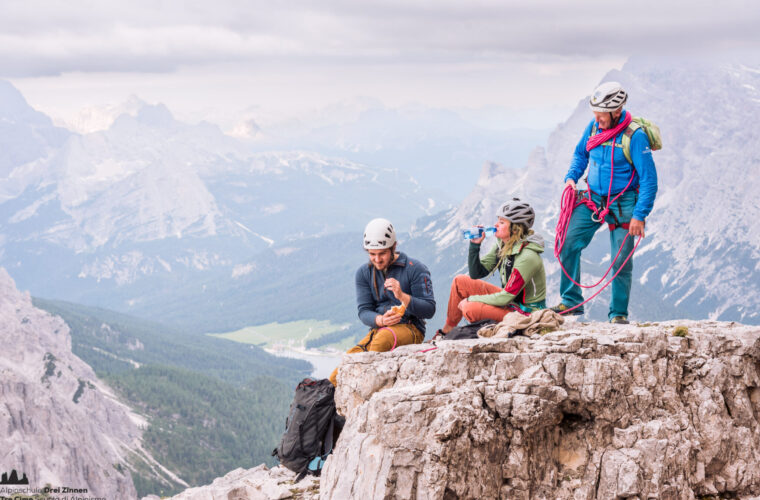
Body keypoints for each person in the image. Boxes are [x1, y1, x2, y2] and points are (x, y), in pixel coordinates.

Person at [552, 82, 658, 324]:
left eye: (601, 115)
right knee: (566, 242)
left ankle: (618, 314)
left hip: (624, 204)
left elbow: (649, 180)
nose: (597, 119)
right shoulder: (593, 128)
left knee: (620, 261)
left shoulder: (635, 136)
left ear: (616, 112)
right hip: (593, 199)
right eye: (595, 114)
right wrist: (571, 177)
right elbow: (581, 154)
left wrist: (639, 215)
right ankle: (571, 301)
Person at [328, 218, 435, 385]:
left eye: (382, 254)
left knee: (381, 341)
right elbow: (364, 310)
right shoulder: (364, 273)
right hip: (380, 328)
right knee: (340, 370)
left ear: (394, 247)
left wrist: (402, 296)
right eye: (372, 254)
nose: (377, 260)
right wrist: (380, 320)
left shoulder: (415, 269)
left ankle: (366, 393)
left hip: (411, 327)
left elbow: (429, 309)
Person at [437, 198, 546, 337]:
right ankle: (446, 331)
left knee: (469, 308)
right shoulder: (503, 244)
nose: (496, 224)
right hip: (511, 302)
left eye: (501, 222)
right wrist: (475, 245)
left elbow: (505, 297)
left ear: (515, 228)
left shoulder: (527, 257)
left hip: (525, 313)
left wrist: (472, 299)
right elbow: (476, 273)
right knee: (460, 282)